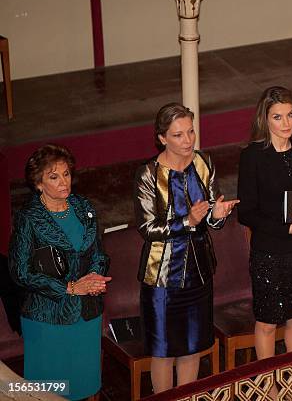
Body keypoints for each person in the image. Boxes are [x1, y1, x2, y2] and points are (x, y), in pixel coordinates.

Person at [134, 103, 238, 393]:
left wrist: (217, 216)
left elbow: (209, 220)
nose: (188, 140)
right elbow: (147, 229)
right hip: (162, 277)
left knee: (193, 347)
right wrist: (187, 221)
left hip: (199, 271)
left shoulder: (203, 163)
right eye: (178, 135)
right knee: (164, 351)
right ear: (162, 138)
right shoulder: (148, 175)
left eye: (191, 132)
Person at [9, 143, 111, 401]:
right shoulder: (28, 218)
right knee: (51, 391)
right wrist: (71, 288)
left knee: (88, 383)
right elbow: (20, 273)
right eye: (53, 177)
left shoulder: (83, 206)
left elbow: (99, 253)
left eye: (66, 174)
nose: (63, 182)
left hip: (86, 313)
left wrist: (95, 278)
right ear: (38, 183)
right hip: (47, 317)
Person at [237, 86, 292, 360]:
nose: (286, 123)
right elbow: (246, 213)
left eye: (290, 115)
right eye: (278, 117)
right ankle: (269, 387)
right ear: (265, 119)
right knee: (267, 324)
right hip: (269, 252)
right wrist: (287, 228)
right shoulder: (252, 156)